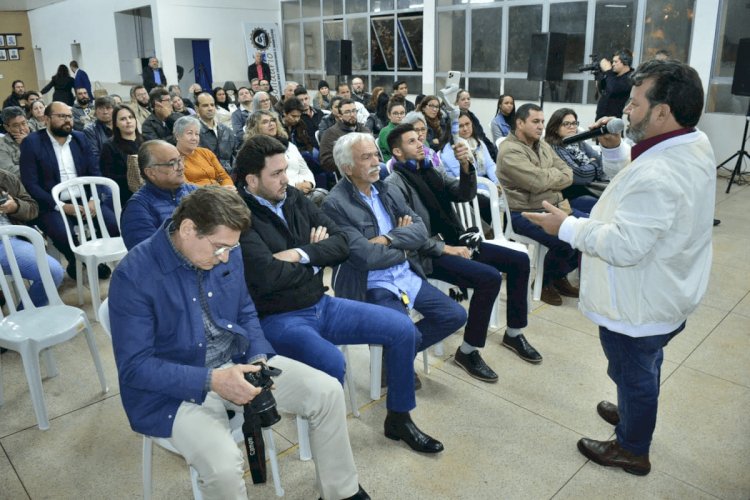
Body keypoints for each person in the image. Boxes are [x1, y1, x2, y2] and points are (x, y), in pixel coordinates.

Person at [109, 186, 370, 500]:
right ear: (188, 228)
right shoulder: (133, 276)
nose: (226, 258)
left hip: (237, 362)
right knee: (222, 466)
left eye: (231, 248)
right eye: (219, 248)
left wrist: (259, 357)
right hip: (174, 392)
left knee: (327, 392)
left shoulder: (227, 249)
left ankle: (342, 493)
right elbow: (136, 368)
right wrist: (214, 380)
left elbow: (245, 309)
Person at [523, 60, 715, 477]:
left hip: (641, 300)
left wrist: (567, 226)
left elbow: (626, 245)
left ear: (662, 112)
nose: (626, 110)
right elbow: (629, 187)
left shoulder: (660, 171)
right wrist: (613, 148)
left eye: (635, 102)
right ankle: (632, 412)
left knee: (633, 369)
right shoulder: (690, 143)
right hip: (669, 288)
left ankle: (632, 446)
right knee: (641, 366)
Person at [236, 134, 445, 454]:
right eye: (276, 174)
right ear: (252, 180)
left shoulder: (291, 196)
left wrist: (301, 254)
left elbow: (341, 245)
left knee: (402, 328)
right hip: (279, 317)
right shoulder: (240, 217)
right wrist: (315, 254)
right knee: (333, 362)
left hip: (320, 302)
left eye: (285, 170)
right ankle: (330, 454)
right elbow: (266, 275)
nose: (286, 179)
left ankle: (399, 418)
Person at [386, 123, 542, 367]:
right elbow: (409, 236)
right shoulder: (395, 184)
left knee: (520, 261)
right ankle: (468, 351)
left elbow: (462, 194)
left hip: (458, 241)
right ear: (397, 152)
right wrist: (445, 248)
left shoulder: (430, 169)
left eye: (420, 139)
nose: (420, 144)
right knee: (489, 278)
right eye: (412, 141)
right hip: (430, 254)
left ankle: (513, 333)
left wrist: (466, 167)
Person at [322, 132, 468, 372]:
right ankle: (397, 361)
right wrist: (404, 248)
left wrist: (388, 239)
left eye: (376, 155)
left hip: (404, 274)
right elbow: (366, 256)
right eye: (366, 157)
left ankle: (392, 360)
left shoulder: (386, 188)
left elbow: (420, 230)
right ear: (347, 168)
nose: (375, 162)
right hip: (371, 283)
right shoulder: (335, 203)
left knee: (454, 315)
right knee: (405, 331)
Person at [19, 101, 119, 279]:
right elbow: (31, 183)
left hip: (85, 199)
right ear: (47, 119)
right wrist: (61, 206)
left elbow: (95, 172)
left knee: (112, 225)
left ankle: (93, 255)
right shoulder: (32, 143)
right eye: (62, 116)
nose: (67, 120)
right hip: (52, 203)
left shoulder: (80, 138)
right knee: (62, 234)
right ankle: (77, 260)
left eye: (70, 116)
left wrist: (93, 200)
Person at [497, 103, 584, 307]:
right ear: (519, 123)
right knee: (565, 241)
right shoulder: (509, 151)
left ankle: (558, 277)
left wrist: (547, 179)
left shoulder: (542, 144)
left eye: (542, 122)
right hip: (524, 213)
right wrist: (551, 179)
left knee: (587, 228)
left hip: (555, 206)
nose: (541, 126)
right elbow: (538, 182)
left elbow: (568, 172)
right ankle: (545, 282)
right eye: (535, 121)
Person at [0, 169, 64, 306]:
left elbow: (32, 209)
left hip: (8, 241)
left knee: (52, 272)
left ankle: (24, 319)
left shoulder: (5, 178)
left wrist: (15, 207)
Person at [120, 140, 197, 250]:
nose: (180, 167)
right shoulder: (138, 208)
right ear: (151, 173)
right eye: (172, 163)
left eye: (180, 160)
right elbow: (148, 255)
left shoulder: (195, 192)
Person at [246, 109, 325, 205]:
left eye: (273, 120)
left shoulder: (289, 145)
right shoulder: (255, 151)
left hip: (303, 191)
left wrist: (309, 183)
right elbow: (268, 180)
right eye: (265, 122)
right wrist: (295, 187)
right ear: (255, 127)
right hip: (279, 197)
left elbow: (304, 169)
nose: (271, 124)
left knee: (323, 196)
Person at [544, 108, 607, 207]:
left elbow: (600, 160)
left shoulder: (578, 142)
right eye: (566, 124)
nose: (572, 127)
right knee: (604, 204)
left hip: (592, 187)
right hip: (574, 195)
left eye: (574, 123)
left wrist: (591, 167)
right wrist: (594, 165)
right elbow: (578, 175)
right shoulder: (555, 148)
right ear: (555, 128)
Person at [99, 104, 143, 206]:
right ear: (116, 124)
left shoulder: (147, 140)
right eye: (123, 119)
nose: (128, 121)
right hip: (125, 195)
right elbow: (108, 176)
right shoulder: (109, 146)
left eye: (131, 117)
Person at [174, 116, 233, 188]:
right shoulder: (173, 158)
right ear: (177, 136)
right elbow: (186, 186)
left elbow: (224, 177)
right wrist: (218, 190)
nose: (194, 138)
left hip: (221, 193)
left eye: (197, 134)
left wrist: (229, 187)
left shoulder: (206, 153)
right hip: (198, 196)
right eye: (189, 133)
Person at [319, 99, 370, 173]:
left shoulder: (364, 130)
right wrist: (351, 164)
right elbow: (326, 160)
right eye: (347, 112)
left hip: (368, 166)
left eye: (354, 111)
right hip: (349, 171)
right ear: (340, 116)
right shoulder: (331, 133)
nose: (352, 115)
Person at [195, 92, 235, 173]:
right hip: (205, 177)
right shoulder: (194, 132)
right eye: (205, 105)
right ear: (196, 109)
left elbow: (234, 156)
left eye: (212, 105)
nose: (210, 108)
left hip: (229, 177)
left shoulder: (227, 131)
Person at [455, 89, 497, 161]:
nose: (466, 101)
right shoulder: (454, 117)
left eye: (468, 99)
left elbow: (482, 135)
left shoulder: (473, 116)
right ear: (457, 102)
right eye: (463, 99)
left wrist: (492, 150)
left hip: (480, 144)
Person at [595, 49, 634, 120]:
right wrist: (600, 75)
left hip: (613, 121)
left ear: (625, 62)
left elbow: (613, 88)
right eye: (613, 62)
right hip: (600, 118)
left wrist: (608, 71)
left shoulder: (630, 77)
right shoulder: (613, 75)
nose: (613, 64)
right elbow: (603, 90)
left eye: (616, 62)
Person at [83, 96, 115, 165]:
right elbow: (94, 156)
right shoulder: (90, 130)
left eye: (108, 108)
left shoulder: (120, 126)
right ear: (96, 111)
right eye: (101, 108)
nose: (105, 112)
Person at [0, 107, 29, 176]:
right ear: (7, 127)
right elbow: (10, 171)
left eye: (23, 123)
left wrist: (29, 143)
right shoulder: (2, 145)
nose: (22, 128)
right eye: (16, 126)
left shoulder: (36, 137)